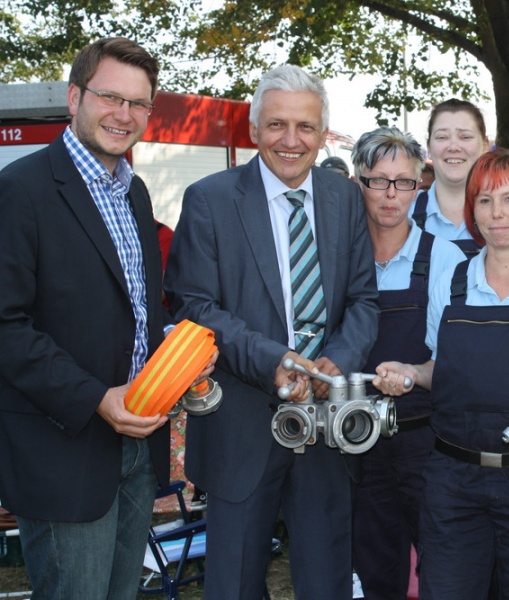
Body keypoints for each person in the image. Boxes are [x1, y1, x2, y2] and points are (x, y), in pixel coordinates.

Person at [0, 37, 215, 598]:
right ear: (75, 97)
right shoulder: (18, 191)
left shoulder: (135, 193)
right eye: (109, 97)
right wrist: (97, 398)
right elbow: (5, 326)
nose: (124, 114)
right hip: (64, 448)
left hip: (138, 448)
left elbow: (143, 307)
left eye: (138, 103)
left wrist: (181, 353)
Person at [164, 64, 379, 599]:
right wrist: (271, 359)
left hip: (327, 429)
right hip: (241, 427)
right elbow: (194, 305)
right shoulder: (209, 199)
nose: (291, 140)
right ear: (254, 130)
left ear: (322, 134)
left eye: (305, 127)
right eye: (277, 125)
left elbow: (362, 300)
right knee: (234, 583)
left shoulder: (345, 198)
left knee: (327, 582)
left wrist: (338, 358)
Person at [375, 149, 509, 599]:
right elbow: (442, 368)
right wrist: (411, 373)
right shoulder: (450, 279)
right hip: (453, 483)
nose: (497, 214)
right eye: (485, 201)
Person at [350, 126, 465, 600]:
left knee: (443, 565)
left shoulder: (446, 259)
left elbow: (456, 363)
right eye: (378, 180)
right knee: (376, 568)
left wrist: (415, 374)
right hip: (357, 439)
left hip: (426, 442)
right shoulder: (341, 259)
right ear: (359, 181)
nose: (391, 194)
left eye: (404, 181)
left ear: (420, 183)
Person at [410, 98, 490, 257]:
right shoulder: (403, 215)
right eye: (442, 137)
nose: (453, 147)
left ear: (485, 146)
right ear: (429, 147)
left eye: (465, 137)